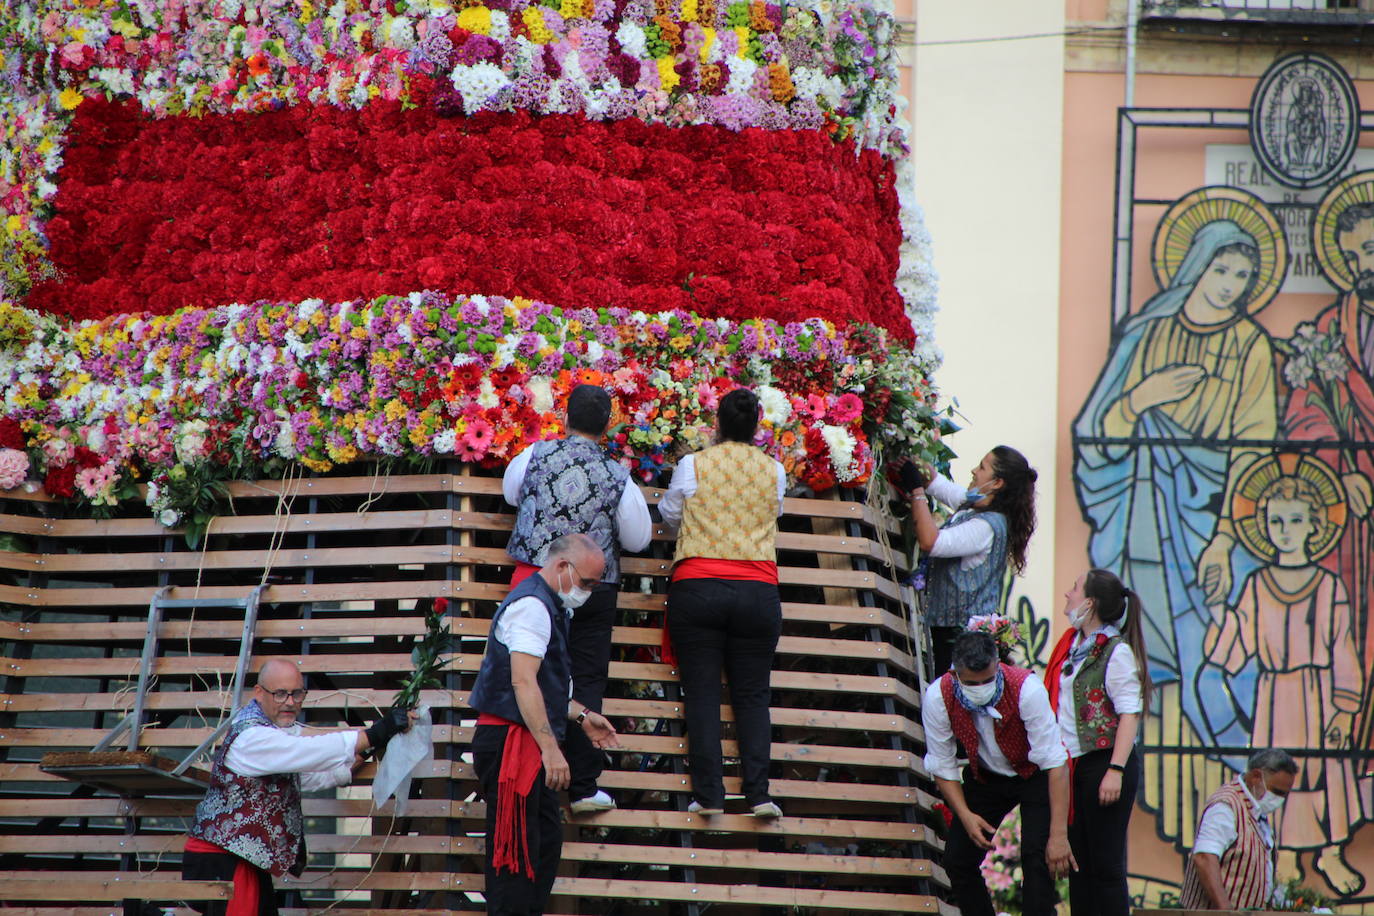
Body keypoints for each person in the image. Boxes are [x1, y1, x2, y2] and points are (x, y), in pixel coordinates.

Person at [1074, 208, 1280, 757]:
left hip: (1215, 517)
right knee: (1144, 643)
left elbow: (1255, 450)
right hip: (1143, 509)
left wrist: (1225, 538)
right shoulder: (1147, 335)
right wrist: (1143, 398)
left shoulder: (1252, 346)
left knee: (1217, 644)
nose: (1231, 287)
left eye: (1243, 278)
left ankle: (1238, 761)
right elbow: (1096, 434)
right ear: (1196, 267)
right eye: (1222, 270)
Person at [1204, 467, 1364, 892]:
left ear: (1314, 524)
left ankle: (1331, 854)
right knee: (1278, 776)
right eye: (1276, 521)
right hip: (1275, 698)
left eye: (1295, 520)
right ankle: (1286, 855)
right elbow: (1236, 646)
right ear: (1264, 526)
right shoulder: (1257, 584)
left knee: (1324, 774)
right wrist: (1219, 609)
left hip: (1320, 697)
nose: (1285, 531)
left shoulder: (1329, 585)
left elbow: (1343, 647)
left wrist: (1346, 712)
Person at [503, 383, 651, 813]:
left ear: (564, 418)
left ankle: (522, 769)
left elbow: (511, 495)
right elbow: (639, 539)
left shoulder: (534, 454)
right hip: (589, 588)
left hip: (536, 579)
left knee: (525, 671)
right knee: (586, 677)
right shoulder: (616, 473)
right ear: (607, 426)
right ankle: (583, 786)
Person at [183, 657, 413, 916]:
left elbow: (303, 777)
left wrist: (359, 756)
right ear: (259, 693)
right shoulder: (252, 736)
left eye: (297, 693)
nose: (290, 702)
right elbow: (306, 750)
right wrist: (374, 734)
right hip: (224, 856)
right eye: (280, 694)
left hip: (241, 855)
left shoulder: (272, 732)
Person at [468, 533, 621, 915]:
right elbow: (523, 681)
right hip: (511, 743)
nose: (587, 592)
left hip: (518, 739)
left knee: (541, 848)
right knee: (517, 859)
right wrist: (551, 748)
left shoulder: (549, 606)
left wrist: (582, 716)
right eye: (586, 583)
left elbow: (541, 686)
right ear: (562, 567)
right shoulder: (533, 606)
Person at [659, 387, 787, 818]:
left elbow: (671, 514)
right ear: (756, 427)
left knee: (702, 694)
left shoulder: (693, 464)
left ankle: (709, 796)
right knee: (752, 696)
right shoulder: (774, 470)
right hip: (757, 590)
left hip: (698, 587)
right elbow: (775, 513)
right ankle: (759, 795)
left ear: (718, 423)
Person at [921, 630, 1074, 916]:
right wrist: (965, 816)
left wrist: (1059, 835)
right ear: (955, 674)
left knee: (1037, 858)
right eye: (971, 683)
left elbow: (1055, 763)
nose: (981, 687)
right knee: (958, 859)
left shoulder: (1026, 688)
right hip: (986, 778)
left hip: (1034, 774)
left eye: (988, 680)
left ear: (998, 666)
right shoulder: (938, 696)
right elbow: (942, 764)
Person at [1045, 568, 1152, 916]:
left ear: (1089, 603)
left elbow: (1130, 714)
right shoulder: (1073, 646)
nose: (1067, 594)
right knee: (1081, 866)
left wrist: (1115, 770)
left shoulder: (1115, 652)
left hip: (1104, 762)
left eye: (1074, 588)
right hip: (1073, 765)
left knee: (1105, 866)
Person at [902, 447, 1038, 676]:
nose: (974, 470)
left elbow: (931, 542)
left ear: (996, 483)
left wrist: (917, 492)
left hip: (963, 642)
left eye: (982, 467)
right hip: (951, 634)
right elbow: (942, 487)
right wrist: (914, 461)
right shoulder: (975, 505)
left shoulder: (986, 526)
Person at [1180, 748, 1299, 910]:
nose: (1280, 799)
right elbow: (1204, 857)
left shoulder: (1257, 812)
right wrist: (1227, 911)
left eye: (1285, 794)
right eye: (1276, 792)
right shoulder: (1226, 806)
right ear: (1256, 776)